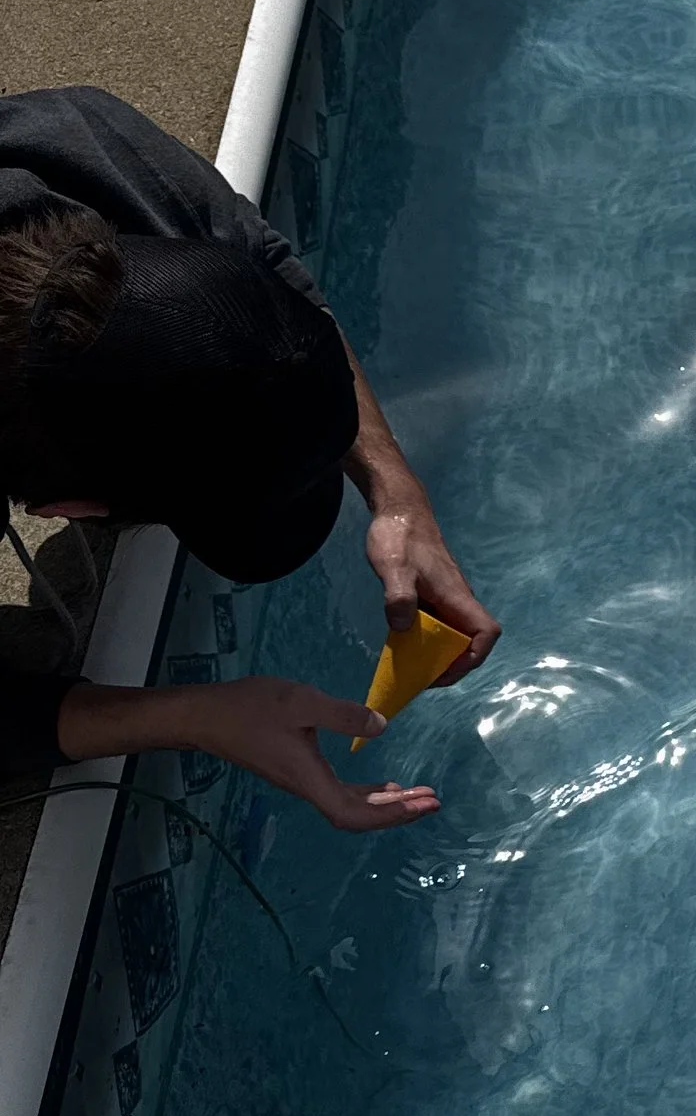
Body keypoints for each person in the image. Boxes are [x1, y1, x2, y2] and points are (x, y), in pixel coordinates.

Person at [0, 87, 497, 831]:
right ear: (71, 509)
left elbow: (270, 274)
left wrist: (398, 495)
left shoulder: (80, 146)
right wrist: (194, 713)